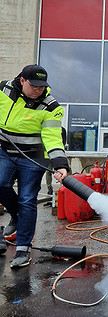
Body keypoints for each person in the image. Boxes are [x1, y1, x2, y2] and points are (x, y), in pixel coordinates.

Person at [0, 65, 69, 267]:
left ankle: (23, 248)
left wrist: (60, 164)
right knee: (1, 185)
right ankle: (17, 215)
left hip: (34, 157)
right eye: (34, 86)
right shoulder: (3, 91)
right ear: (22, 81)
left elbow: (53, 137)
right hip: (5, 150)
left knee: (27, 199)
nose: (38, 90)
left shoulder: (50, 106)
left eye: (42, 86)